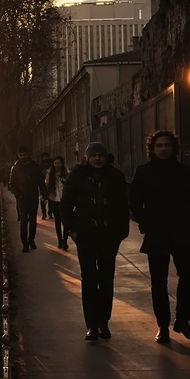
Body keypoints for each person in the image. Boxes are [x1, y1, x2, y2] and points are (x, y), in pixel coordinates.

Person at [130, 130, 190, 345]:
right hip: (156, 232)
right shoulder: (143, 172)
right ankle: (163, 325)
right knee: (158, 282)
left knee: (188, 275)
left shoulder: (183, 172)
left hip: (180, 231)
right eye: (159, 145)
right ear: (152, 148)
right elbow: (134, 201)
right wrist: (145, 223)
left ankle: (183, 321)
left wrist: (188, 221)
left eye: (167, 145)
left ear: (173, 148)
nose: (163, 149)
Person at [61, 142, 129, 341]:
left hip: (109, 237)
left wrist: (120, 233)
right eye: (94, 155)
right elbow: (66, 205)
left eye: (101, 155)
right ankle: (91, 324)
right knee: (89, 280)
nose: (98, 158)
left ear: (107, 157)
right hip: (86, 236)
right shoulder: (77, 176)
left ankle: (104, 323)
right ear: (87, 157)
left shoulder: (115, 177)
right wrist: (72, 230)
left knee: (106, 280)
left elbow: (122, 206)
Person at [9, 145, 42, 252]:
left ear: (28, 154)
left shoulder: (34, 166)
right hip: (22, 198)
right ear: (18, 155)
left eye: (24, 155)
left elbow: (40, 181)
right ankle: (25, 243)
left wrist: (44, 194)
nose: (22, 157)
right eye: (20, 155)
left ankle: (31, 239)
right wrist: (18, 194)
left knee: (33, 220)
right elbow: (12, 184)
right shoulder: (15, 168)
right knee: (24, 221)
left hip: (33, 196)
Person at [43, 155, 70, 250]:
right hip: (54, 200)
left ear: (62, 164)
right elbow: (46, 186)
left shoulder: (67, 174)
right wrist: (45, 197)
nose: (57, 165)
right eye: (55, 163)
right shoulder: (49, 174)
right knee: (57, 222)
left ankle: (65, 241)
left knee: (66, 222)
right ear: (53, 164)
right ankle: (60, 241)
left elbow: (70, 187)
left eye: (59, 163)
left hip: (64, 201)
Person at [38, 151, 52, 219]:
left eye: (46, 157)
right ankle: (44, 213)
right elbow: (38, 174)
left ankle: (50, 213)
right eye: (44, 157)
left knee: (51, 199)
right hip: (42, 184)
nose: (45, 158)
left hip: (50, 184)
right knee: (42, 199)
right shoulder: (40, 165)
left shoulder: (51, 164)